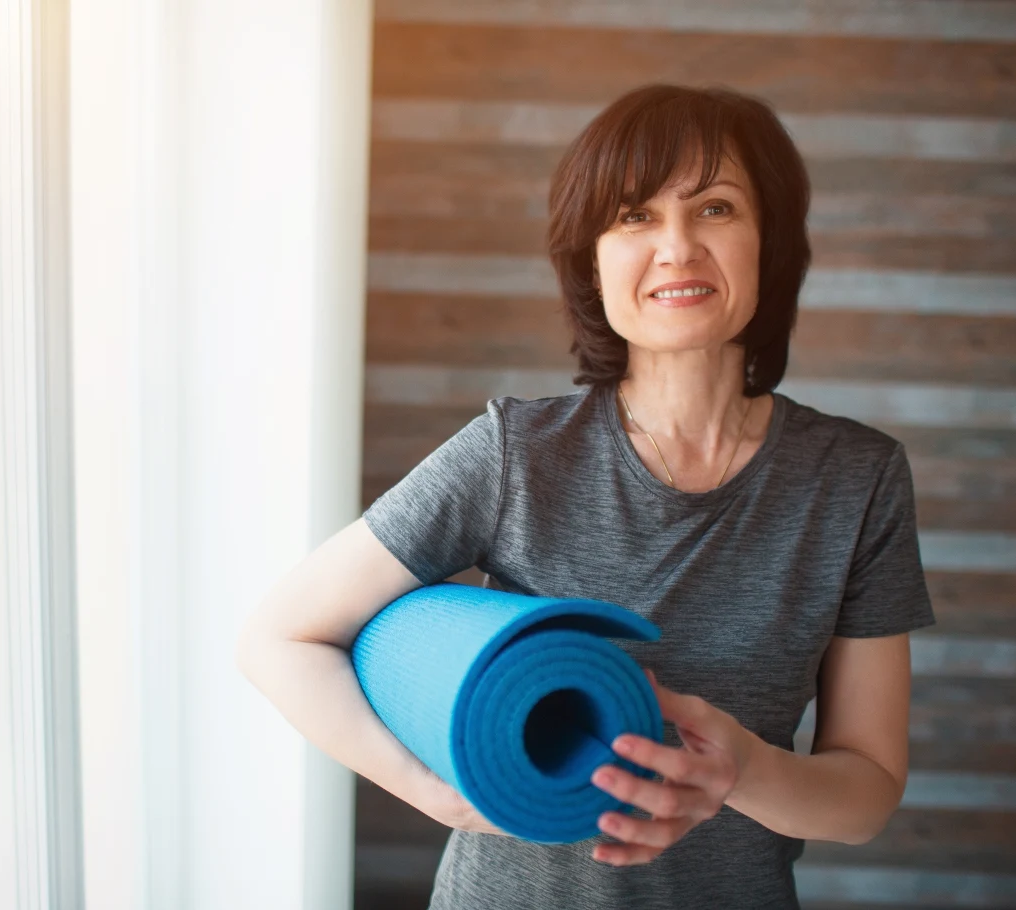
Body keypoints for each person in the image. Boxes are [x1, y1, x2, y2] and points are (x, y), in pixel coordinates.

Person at [237, 83, 935, 910]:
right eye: (635, 216)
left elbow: (867, 792)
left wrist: (742, 768)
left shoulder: (857, 479)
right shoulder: (515, 454)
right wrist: (438, 794)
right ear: (592, 259)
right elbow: (279, 638)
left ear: (768, 242)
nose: (676, 247)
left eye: (714, 209)